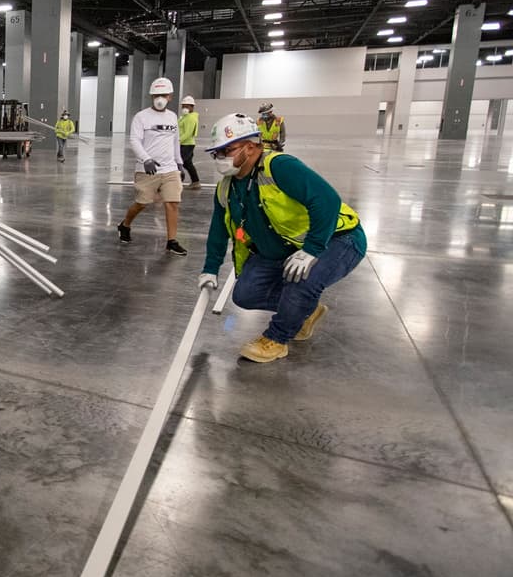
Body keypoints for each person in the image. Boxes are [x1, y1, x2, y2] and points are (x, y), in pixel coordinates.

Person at [198, 113, 365, 363]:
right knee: (245, 294)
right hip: (283, 249)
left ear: (251, 147)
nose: (220, 158)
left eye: (226, 150)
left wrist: (312, 250)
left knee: (302, 283)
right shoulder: (227, 187)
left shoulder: (279, 167)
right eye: (216, 153)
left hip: (337, 239)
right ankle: (303, 311)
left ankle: (276, 340)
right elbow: (219, 228)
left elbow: (327, 200)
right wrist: (210, 268)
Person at [117, 77, 186, 255]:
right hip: (147, 169)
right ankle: (125, 225)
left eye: (163, 94)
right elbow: (134, 140)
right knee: (142, 202)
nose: (159, 98)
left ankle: (172, 241)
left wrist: (179, 162)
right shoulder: (141, 117)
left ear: (170, 96)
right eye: (156, 95)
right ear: (151, 96)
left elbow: (175, 141)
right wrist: (146, 159)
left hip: (170, 168)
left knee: (172, 203)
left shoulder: (172, 117)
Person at [178, 95, 201, 190]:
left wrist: (177, 141)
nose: (184, 108)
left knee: (178, 163)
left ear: (192, 107)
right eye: (183, 106)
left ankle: (176, 183)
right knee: (187, 163)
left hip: (186, 144)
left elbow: (188, 133)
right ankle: (196, 182)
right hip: (185, 143)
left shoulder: (191, 118)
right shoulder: (184, 117)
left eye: (187, 106)